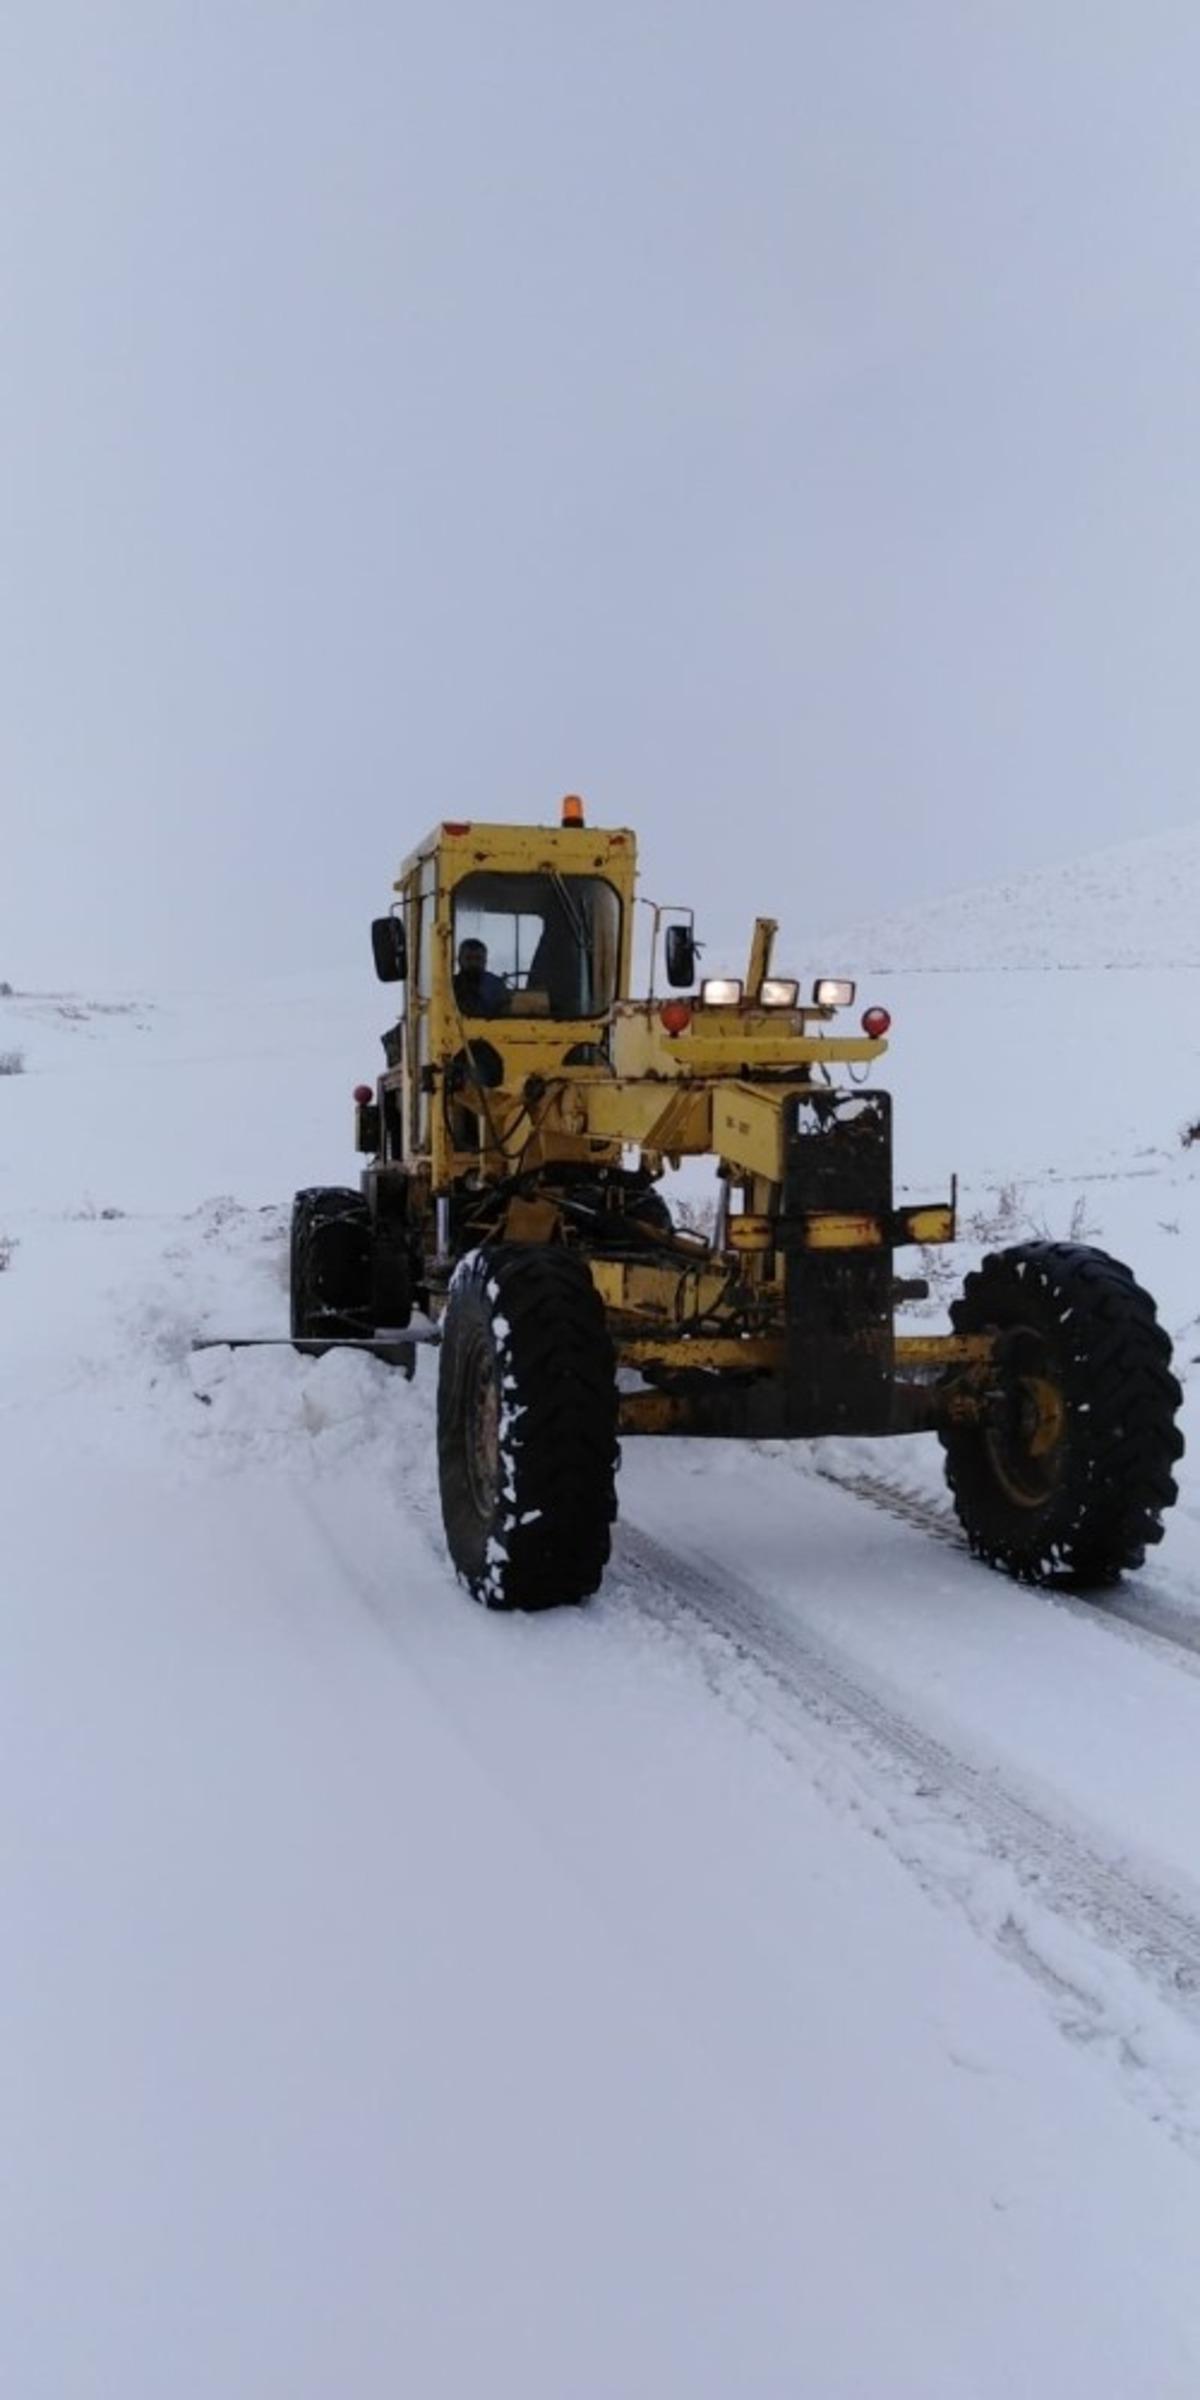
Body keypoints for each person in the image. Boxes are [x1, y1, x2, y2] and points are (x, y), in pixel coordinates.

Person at [453, 937, 510, 1017]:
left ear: (485, 961)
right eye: (468, 958)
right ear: (459, 960)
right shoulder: (449, 986)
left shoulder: (496, 986)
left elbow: (505, 1015)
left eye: (478, 958)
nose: (473, 964)